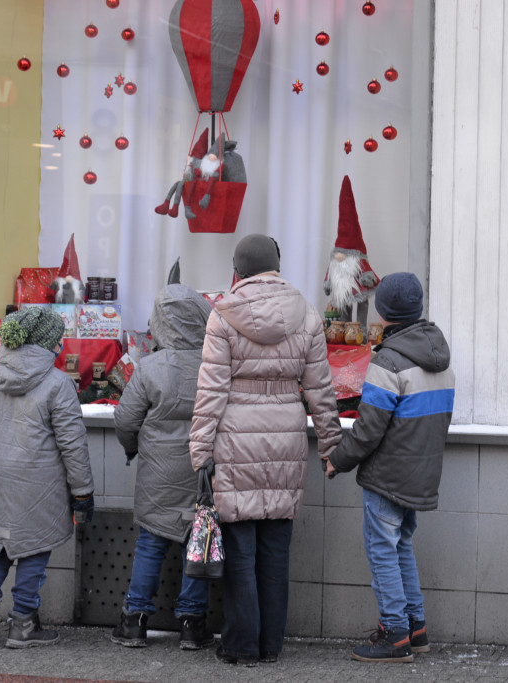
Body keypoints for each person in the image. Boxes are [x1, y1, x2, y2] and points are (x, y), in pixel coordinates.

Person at [190, 233, 342, 666]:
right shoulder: (308, 315)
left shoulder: (223, 315)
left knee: (240, 551)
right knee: (275, 550)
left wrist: (200, 453)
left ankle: (241, 646)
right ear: (277, 264)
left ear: (237, 269)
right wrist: (330, 447)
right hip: (286, 441)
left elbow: (210, 393)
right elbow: (321, 392)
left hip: (236, 442)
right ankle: (271, 644)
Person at [324, 272, 455, 663]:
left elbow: (367, 431)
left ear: (384, 312)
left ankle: (394, 634)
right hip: (420, 474)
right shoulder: (440, 358)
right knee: (401, 549)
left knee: (383, 551)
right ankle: (415, 629)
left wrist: (337, 461)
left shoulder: (390, 360)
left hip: (387, 477)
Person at [0, 306, 95, 649]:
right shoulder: (57, 383)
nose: (60, 345)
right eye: (57, 339)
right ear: (46, 343)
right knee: (34, 549)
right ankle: (23, 623)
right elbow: (73, 444)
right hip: (41, 485)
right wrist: (82, 492)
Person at [110, 283, 216, 650]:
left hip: (157, 472)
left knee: (151, 545)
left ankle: (135, 621)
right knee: (196, 544)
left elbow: (125, 420)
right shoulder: (215, 366)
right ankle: (191, 623)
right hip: (202, 473)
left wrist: (132, 449)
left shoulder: (149, 367)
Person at [323, 175, 380, 326]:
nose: (340, 256)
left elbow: (366, 269)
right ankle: (344, 327)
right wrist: (328, 283)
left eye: (344, 252)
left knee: (363, 304)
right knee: (343, 305)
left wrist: (368, 276)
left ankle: (361, 329)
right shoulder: (336, 262)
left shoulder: (358, 260)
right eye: (339, 252)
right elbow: (330, 273)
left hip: (359, 286)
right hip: (344, 289)